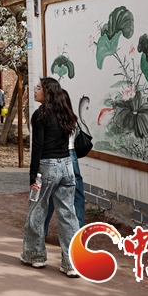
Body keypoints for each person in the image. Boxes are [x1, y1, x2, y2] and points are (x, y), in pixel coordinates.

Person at [21, 77, 80, 277]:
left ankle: (35, 255)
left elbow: (37, 146)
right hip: (67, 166)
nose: (34, 91)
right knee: (68, 214)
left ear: (47, 92)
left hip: (47, 167)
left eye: (38, 88)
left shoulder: (40, 115)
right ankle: (71, 263)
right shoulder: (66, 112)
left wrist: (32, 175)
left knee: (37, 209)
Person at [42, 88, 86, 232]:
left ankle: (42, 229)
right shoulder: (72, 118)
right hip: (72, 157)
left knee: (48, 195)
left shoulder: (49, 118)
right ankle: (78, 230)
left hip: (55, 157)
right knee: (77, 194)